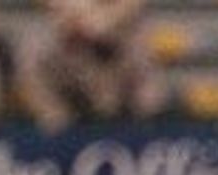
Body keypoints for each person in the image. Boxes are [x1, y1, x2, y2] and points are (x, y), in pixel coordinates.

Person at [14, 0, 166, 133]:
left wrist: (99, 23)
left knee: (141, 53)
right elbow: (59, 12)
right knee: (32, 50)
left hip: (118, 66)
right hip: (71, 72)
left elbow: (132, 6)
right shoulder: (44, 43)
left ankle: (146, 131)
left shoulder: (127, 33)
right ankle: (61, 134)